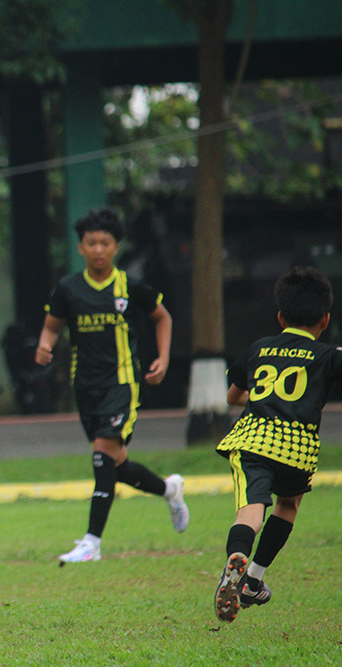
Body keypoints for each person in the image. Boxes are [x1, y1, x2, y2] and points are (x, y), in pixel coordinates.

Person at [34, 207, 188, 564]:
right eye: (92, 243)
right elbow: (52, 325)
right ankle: (169, 489)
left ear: (116, 246)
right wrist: (46, 343)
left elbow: (162, 317)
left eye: (105, 242)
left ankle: (92, 542)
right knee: (114, 465)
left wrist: (164, 358)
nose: (99, 249)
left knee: (102, 454)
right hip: (85, 386)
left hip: (122, 384)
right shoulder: (68, 289)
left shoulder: (130, 287)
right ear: (81, 247)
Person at [213, 266, 342, 623]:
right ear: (326, 319)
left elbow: (233, 396)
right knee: (288, 504)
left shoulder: (259, 349)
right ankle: (253, 579)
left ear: (281, 316)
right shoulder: (328, 355)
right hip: (297, 448)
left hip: (255, 440)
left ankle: (232, 570)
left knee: (250, 512)